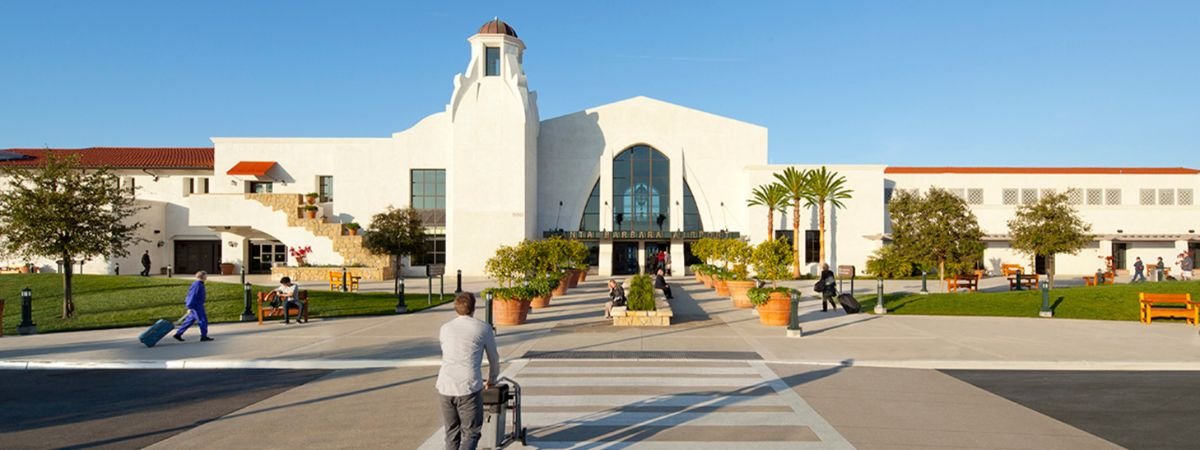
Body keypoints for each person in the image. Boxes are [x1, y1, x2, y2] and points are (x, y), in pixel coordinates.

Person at [436, 292, 499, 450]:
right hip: (468, 386)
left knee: (451, 432)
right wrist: (492, 379)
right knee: (471, 432)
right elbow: (494, 359)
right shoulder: (483, 328)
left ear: (455, 308)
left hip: (445, 385)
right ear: (473, 308)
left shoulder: (445, 328)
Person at [173, 271, 213, 342]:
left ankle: (178, 334)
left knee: (189, 321)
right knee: (203, 320)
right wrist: (189, 306)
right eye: (205, 275)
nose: (206, 277)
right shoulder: (198, 285)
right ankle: (204, 336)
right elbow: (192, 296)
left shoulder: (199, 284)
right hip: (196, 306)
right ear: (202, 276)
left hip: (196, 305)